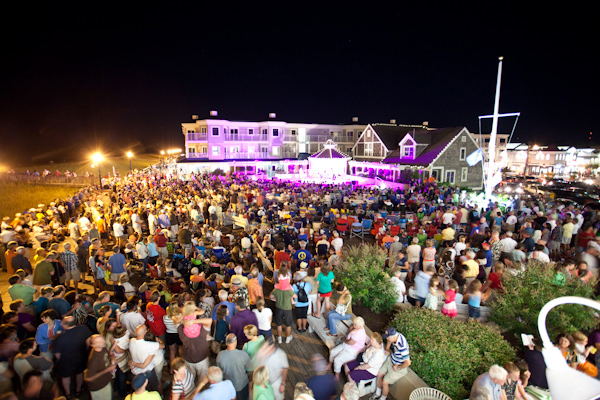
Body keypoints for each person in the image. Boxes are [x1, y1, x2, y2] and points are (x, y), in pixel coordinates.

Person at [53, 316, 92, 398]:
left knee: (65, 376)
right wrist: (85, 351)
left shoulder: (61, 338)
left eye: (62, 322)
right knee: (79, 373)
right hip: (80, 356)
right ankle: (78, 390)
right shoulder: (84, 329)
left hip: (65, 359)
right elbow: (88, 341)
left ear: (66, 325)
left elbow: (57, 354)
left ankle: (68, 393)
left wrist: (60, 360)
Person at [372, 328, 411, 400]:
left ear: (393, 336)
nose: (386, 338)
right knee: (379, 374)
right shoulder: (395, 335)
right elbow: (390, 341)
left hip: (397, 367)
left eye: (388, 337)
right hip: (391, 360)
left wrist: (398, 368)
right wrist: (387, 349)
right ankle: (377, 393)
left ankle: (383, 398)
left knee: (385, 382)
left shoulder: (402, 346)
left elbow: (408, 362)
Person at [179, 302, 213, 381]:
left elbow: (177, 321)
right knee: (202, 378)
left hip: (188, 359)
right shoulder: (201, 330)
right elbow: (207, 319)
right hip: (201, 359)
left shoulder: (181, 328)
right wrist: (194, 320)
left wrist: (183, 322)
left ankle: (191, 388)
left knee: (190, 378)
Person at [128, 324, 163, 392]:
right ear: (144, 332)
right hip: (148, 372)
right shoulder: (150, 345)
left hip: (135, 372)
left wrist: (131, 363)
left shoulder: (131, 341)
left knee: (139, 391)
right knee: (153, 389)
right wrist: (158, 339)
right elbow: (162, 346)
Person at [217, 333, 252, 400]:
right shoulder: (243, 354)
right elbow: (250, 371)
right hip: (242, 385)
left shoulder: (220, 355)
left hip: (227, 386)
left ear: (226, 343)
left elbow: (219, 372)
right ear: (235, 342)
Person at [84, 334, 116, 400]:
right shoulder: (94, 359)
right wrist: (107, 370)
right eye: (99, 342)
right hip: (98, 387)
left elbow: (107, 354)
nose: (103, 342)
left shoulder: (103, 347)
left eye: (103, 340)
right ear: (93, 345)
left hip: (105, 382)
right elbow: (89, 378)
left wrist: (112, 357)